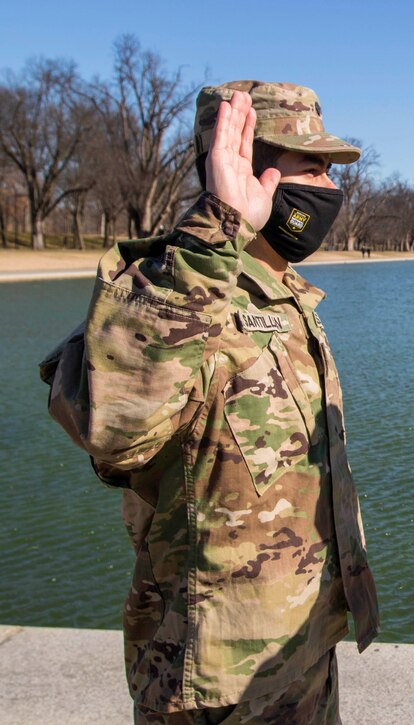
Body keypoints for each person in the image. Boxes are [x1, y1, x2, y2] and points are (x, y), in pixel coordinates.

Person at [40, 81, 378, 723]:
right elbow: (116, 431)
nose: (332, 188)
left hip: (296, 653)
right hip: (212, 686)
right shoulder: (174, 290)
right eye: (314, 168)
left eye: (331, 170)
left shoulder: (281, 294)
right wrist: (216, 230)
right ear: (252, 169)